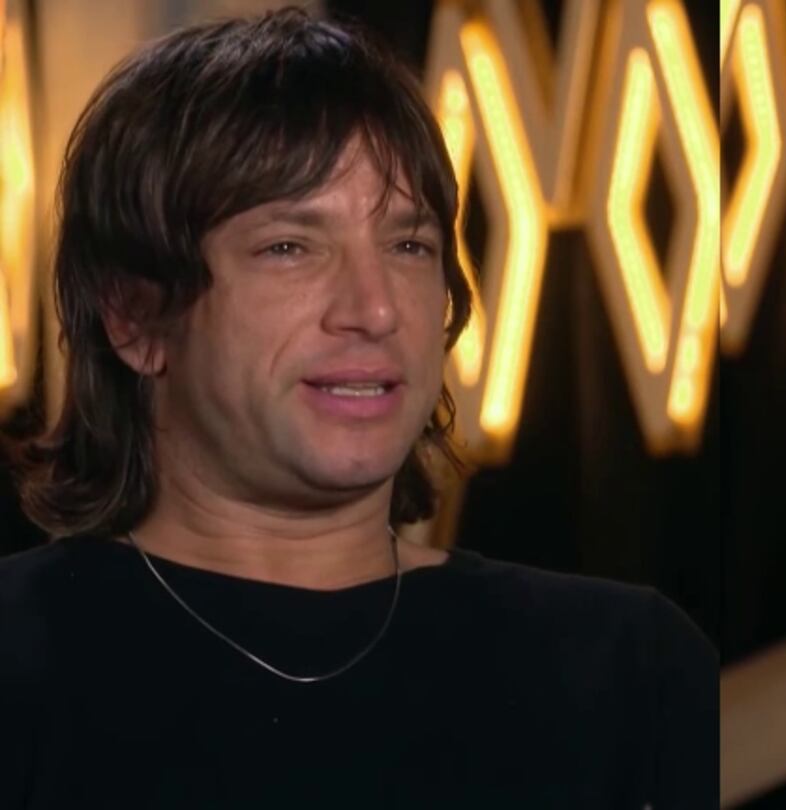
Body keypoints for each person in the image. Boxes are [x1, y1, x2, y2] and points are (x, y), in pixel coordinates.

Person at [0, 9, 715, 808]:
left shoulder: (629, 670)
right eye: (289, 247)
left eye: (409, 246)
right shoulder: (22, 663)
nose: (374, 309)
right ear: (133, 316)